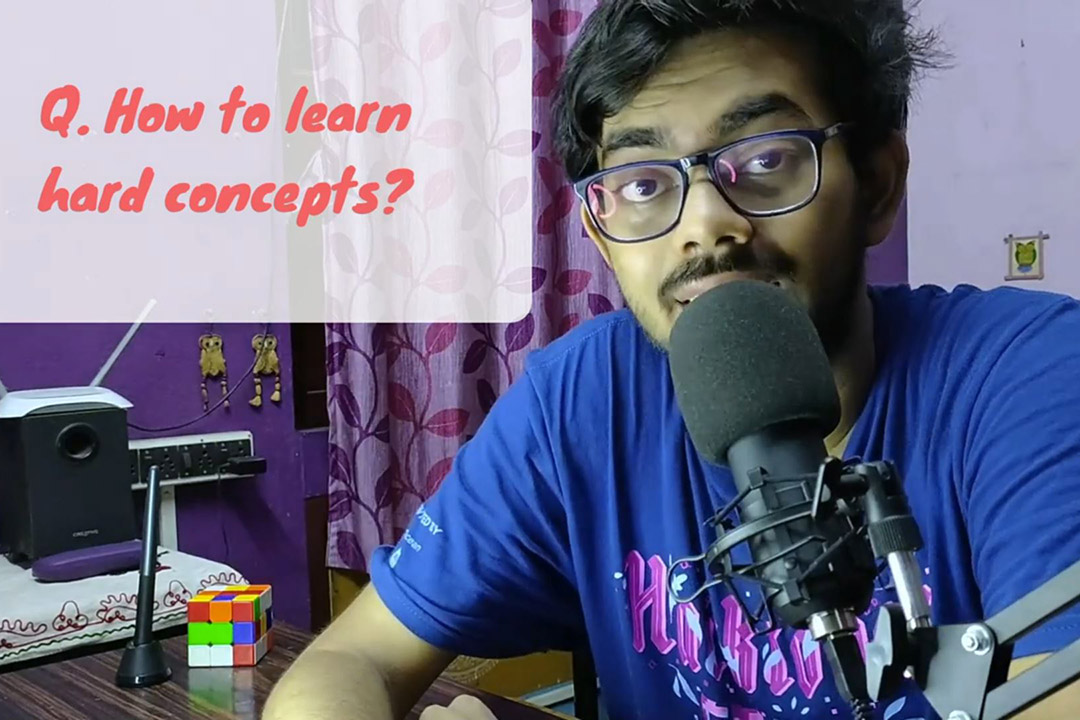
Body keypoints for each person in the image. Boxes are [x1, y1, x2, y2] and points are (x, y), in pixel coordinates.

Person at [264, 1, 1080, 718]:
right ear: (600, 235)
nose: (705, 227)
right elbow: (348, 661)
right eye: (646, 183)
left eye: (765, 161)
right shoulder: (577, 404)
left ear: (877, 184)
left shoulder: (1028, 373)